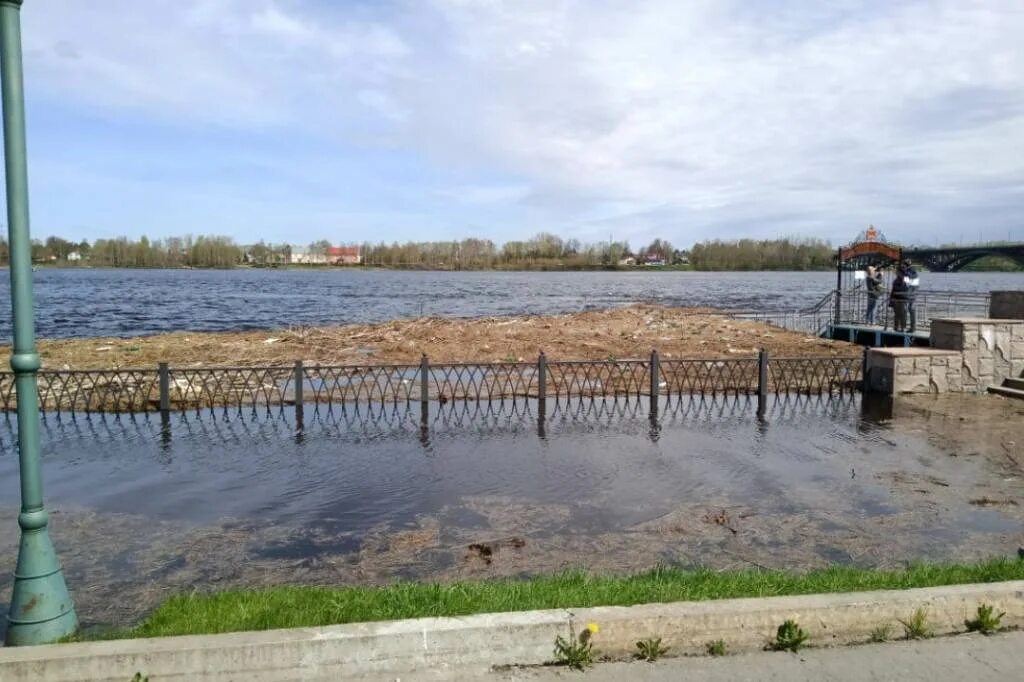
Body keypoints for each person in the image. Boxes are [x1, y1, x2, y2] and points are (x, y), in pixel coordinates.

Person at [902, 259, 920, 333]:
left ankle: (911, 327)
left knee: (910, 309)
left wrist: (905, 272)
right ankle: (910, 327)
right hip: (911, 293)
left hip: (911, 293)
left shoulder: (911, 271)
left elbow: (911, 278)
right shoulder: (910, 271)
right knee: (909, 309)